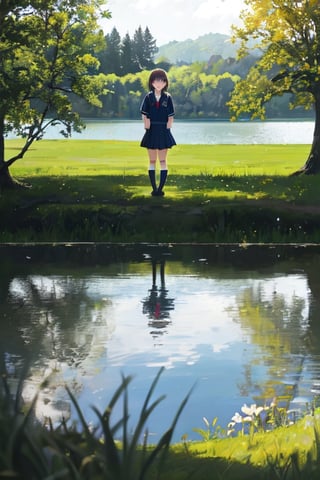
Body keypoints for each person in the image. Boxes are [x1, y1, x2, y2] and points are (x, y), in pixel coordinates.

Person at [140, 68, 176, 196]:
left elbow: (171, 115)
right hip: (151, 130)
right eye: (156, 80)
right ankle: (153, 188)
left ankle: (160, 188)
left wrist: (168, 127)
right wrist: (146, 125)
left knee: (162, 161)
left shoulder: (168, 98)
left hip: (163, 130)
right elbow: (144, 114)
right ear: (152, 82)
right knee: (152, 161)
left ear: (165, 82)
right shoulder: (148, 97)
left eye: (162, 80)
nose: (159, 83)